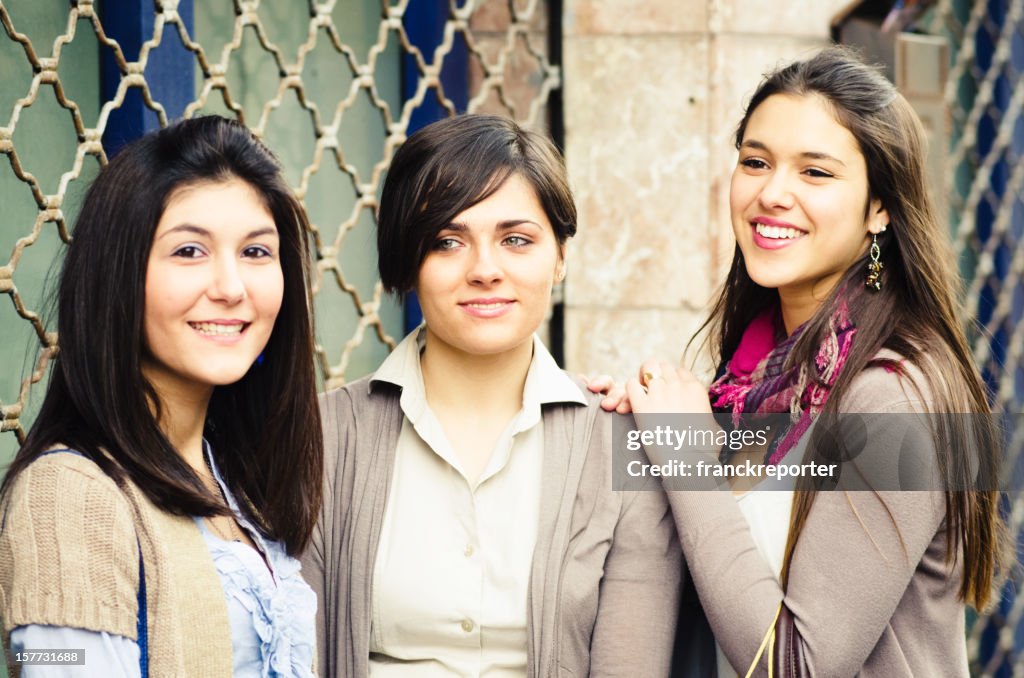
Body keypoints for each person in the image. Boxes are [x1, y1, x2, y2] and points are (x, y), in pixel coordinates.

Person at [614, 47, 1007, 676]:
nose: (772, 193)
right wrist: (630, 417)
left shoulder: (897, 396)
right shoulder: (759, 378)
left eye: (815, 173)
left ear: (880, 207)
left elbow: (796, 667)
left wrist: (680, 446)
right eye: (755, 162)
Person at [301, 114, 682, 677]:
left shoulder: (622, 440)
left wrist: (687, 439)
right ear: (409, 261)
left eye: (516, 240)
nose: (485, 270)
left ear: (560, 258)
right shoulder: (327, 436)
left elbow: (847, 454)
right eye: (448, 241)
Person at [0, 116, 323, 677]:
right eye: (190, 251)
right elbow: (54, 661)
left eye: (255, 252)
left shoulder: (236, 478)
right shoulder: (68, 495)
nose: (230, 288)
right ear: (118, 276)